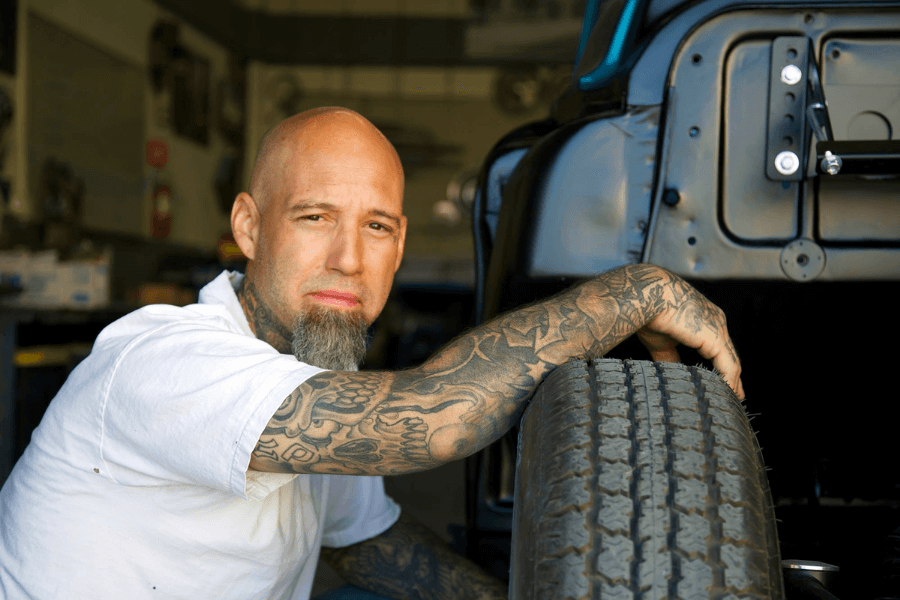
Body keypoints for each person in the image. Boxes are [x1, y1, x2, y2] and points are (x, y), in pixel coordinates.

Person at [0, 107, 743, 600]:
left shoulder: (321, 371)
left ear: (401, 247)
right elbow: (437, 418)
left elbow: (365, 542)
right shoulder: (161, 359)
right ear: (250, 227)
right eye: (315, 216)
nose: (349, 258)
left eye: (378, 227)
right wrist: (634, 293)